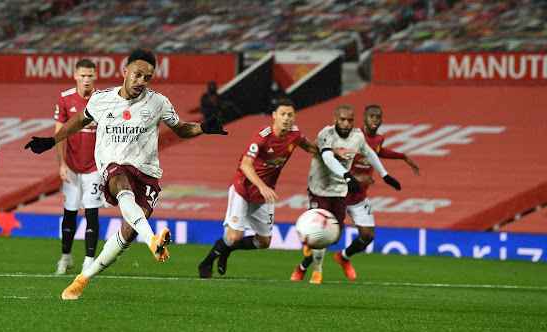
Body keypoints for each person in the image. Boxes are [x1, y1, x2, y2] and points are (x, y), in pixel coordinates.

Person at [25, 48, 228, 300]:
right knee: (120, 183)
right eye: (137, 74)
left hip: (147, 173)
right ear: (125, 72)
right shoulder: (101, 99)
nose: (141, 81)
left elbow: (182, 129)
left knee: (128, 232)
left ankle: (84, 278)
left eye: (147, 78)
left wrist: (204, 128)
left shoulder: (158, 102)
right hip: (114, 166)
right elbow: (79, 120)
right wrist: (51, 140)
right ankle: (153, 240)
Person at [197, 98, 356, 279]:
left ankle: (227, 251)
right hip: (244, 188)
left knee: (263, 242)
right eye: (282, 114)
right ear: (274, 116)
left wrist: (333, 153)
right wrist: (262, 186)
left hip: (265, 194)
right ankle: (207, 263)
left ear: (294, 117)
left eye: (289, 115)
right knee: (234, 236)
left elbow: (311, 147)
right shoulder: (263, 136)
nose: (285, 118)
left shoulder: (295, 134)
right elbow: (246, 165)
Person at [289, 104, 402, 284]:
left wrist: (385, 175)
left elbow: (369, 152)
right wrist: (347, 175)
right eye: (342, 119)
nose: (346, 123)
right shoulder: (326, 134)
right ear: (335, 119)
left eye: (349, 120)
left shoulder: (357, 136)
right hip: (320, 189)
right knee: (320, 232)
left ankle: (307, 260)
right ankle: (316, 272)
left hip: (340, 190)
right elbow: (327, 157)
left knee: (333, 237)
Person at [54, 58, 105, 275]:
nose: (86, 80)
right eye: (82, 75)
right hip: (73, 167)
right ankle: (66, 258)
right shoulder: (65, 99)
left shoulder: (103, 99)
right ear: (75, 76)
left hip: (95, 167)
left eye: (90, 75)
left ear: (95, 77)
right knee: (70, 213)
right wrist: (62, 164)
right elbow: (59, 133)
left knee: (92, 213)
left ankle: (88, 261)